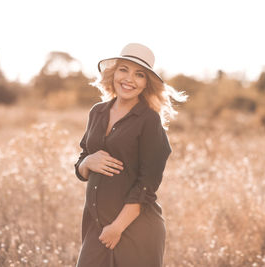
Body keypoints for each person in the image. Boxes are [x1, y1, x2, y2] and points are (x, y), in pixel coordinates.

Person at [74, 43, 186, 267]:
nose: (129, 79)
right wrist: (87, 162)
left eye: (139, 74)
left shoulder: (149, 120)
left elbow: (147, 184)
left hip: (135, 229)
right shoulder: (97, 112)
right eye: (123, 69)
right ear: (113, 73)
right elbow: (82, 162)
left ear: (147, 83)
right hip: (96, 226)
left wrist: (117, 227)